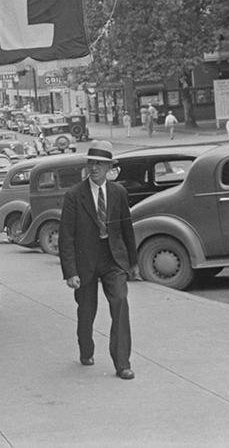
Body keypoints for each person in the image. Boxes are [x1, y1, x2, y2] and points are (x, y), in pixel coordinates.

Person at [58, 140, 139, 380]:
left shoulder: (118, 193)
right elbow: (66, 236)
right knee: (87, 309)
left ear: (109, 168)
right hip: (85, 261)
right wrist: (70, 272)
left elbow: (127, 229)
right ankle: (86, 348)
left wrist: (133, 263)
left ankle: (122, 363)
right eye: (91, 163)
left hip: (113, 258)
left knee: (120, 303)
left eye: (100, 164)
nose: (94, 168)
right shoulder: (75, 195)